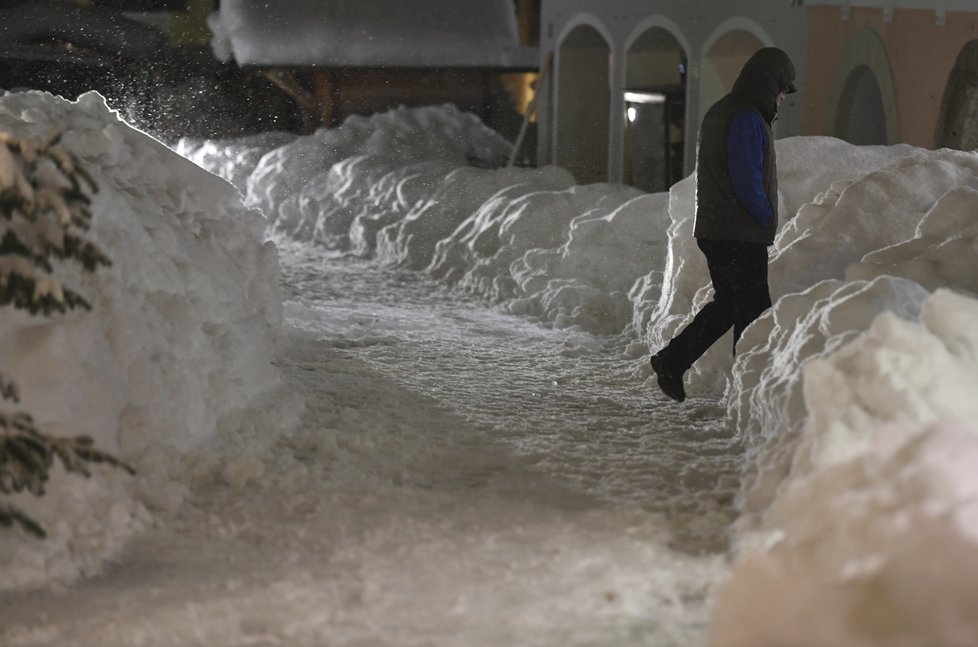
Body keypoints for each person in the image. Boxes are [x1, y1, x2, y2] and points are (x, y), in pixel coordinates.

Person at [650, 47, 797, 403]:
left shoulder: (727, 110)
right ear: (770, 83)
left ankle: (672, 360)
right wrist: (764, 216)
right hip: (738, 232)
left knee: (730, 304)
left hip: (718, 228)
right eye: (782, 90)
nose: (782, 98)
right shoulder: (745, 118)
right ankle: (751, 392)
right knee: (752, 310)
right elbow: (746, 177)